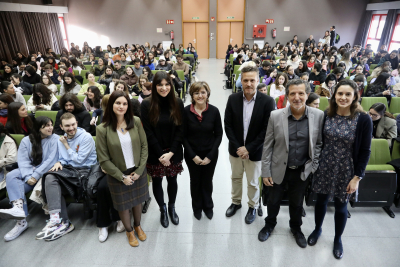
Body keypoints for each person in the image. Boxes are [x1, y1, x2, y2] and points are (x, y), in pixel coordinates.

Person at [308, 79, 372, 259]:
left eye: (348, 94)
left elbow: (365, 151)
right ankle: (317, 229)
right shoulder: (326, 114)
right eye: (340, 94)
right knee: (320, 201)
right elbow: (319, 141)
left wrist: (357, 177)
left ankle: (337, 239)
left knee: (341, 205)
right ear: (334, 95)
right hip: (325, 165)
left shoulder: (363, 119)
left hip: (347, 169)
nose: (343, 97)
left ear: (355, 97)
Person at [259, 79, 324, 248]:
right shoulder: (275, 115)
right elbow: (268, 145)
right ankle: (269, 224)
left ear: (307, 95)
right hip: (277, 168)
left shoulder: (318, 115)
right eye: (292, 93)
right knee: (273, 201)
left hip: (302, 170)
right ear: (286, 96)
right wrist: (265, 171)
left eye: (301, 93)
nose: (297, 97)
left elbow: (318, 144)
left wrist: (313, 166)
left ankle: (296, 228)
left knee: (296, 203)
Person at [97, 90, 149, 247]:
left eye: (125, 103)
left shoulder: (136, 121)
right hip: (117, 174)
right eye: (118, 103)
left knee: (138, 201)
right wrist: (122, 177)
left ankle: (138, 226)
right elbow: (103, 159)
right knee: (123, 205)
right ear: (111, 104)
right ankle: (129, 230)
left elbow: (144, 146)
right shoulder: (102, 129)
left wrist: (139, 171)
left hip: (137, 170)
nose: (121, 106)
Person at [224, 65, 275, 224]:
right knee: (236, 178)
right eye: (245, 80)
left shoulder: (267, 101)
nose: (248, 84)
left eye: (252, 80)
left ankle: (252, 206)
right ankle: (236, 202)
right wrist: (240, 148)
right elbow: (228, 125)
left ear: (258, 80)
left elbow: (267, 130)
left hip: (256, 151)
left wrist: (249, 148)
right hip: (236, 150)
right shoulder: (233, 99)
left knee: (253, 181)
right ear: (241, 81)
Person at [0, 116, 58, 241]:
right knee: (11, 175)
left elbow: (51, 160)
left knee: (16, 184)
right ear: (38, 128)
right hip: (28, 173)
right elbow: (23, 160)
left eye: (51, 124)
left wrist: (35, 175)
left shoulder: (55, 139)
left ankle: (20, 220)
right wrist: (28, 177)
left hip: (45, 173)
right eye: (46, 125)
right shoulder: (27, 140)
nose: (50, 128)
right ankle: (19, 213)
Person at [141, 71, 184, 228]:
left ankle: (172, 207)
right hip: (155, 152)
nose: (164, 88)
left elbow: (181, 129)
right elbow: (148, 132)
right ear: (154, 86)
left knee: (172, 180)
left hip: (173, 151)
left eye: (167, 84)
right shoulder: (147, 104)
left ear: (171, 85)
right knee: (157, 181)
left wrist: (171, 153)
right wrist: (161, 155)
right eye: (160, 85)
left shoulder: (177, 102)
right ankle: (163, 209)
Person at [183, 82, 222, 220]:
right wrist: (193, 156)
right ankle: (197, 208)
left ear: (207, 94)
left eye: (203, 92)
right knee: (195, 181)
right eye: (196, 93)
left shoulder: (214, 111)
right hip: (191, 154)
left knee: (207, 181)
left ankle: (208, 206)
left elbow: (218, 134)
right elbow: (183, 136)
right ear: (192, 96)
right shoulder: (186, 111)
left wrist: (210, 155)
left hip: (210, 154)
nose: (200, 95)